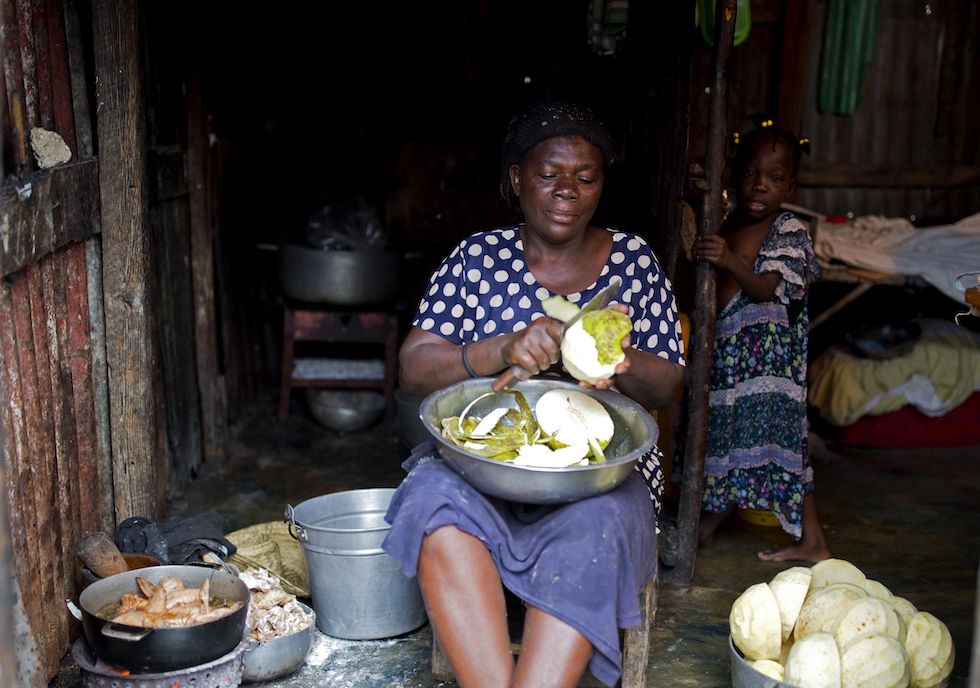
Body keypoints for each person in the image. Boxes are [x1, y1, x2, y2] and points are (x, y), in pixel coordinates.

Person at [382, 100, 686, 688]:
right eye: (548, 175)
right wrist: (502, 349)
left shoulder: (634, 263)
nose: (566, 190)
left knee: (594, 527)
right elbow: (414, 369)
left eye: (585, 177)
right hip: (482, 468)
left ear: (603, 184)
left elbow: (669, 386)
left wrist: (610, 358)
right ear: (517, 179)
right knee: (432, 501)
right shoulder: (477, 259)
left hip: (601, 479)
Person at [692, 118, 832, 563]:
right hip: (732, 358)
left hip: (768, 366)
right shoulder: (726, 220)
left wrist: (729, 260)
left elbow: (767, 287)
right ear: (735, 176)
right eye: (751, 174)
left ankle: (814, 542)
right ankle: (712, 519)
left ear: (789, 186)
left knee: (782, 445)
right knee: (724, 438)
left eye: (773, 179)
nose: (759, 187)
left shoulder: (789, 230)